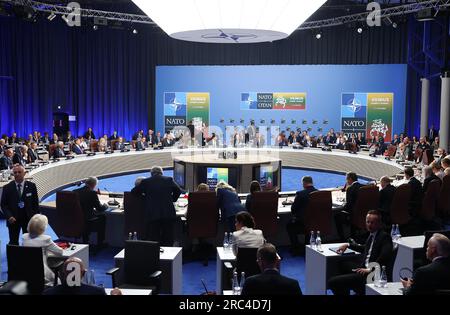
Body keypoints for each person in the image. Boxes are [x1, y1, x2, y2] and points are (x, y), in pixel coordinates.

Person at [328, 210, 393, 295]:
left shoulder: (384, 237)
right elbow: (365, 248)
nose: (369, 225)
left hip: (371, 275)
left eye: (372, 223)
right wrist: (348, 245)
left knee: (332, 282)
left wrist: (370, 269)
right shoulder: (372, 235)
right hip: (364, 267)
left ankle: (357, 286)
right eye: (368, 222)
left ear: (379, 224)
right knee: (343, 264)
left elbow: (385, 256)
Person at [131, 166, 181, 246]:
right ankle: (168, 256)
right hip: (167, 213)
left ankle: (154, 256)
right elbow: (178, 190)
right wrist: (172, 199)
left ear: (151, 174)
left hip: (152, 214)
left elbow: (134, 192)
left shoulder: (146, 181)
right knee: (168, 238)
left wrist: (145, 198)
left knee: (153, 238)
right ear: (162, 172)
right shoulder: (169, 179)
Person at [1, 165, 40, 245]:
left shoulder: (31, 186)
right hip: (13, 219)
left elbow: (35, 203)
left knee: (29, 241)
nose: (17, 174)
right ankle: (14, 257)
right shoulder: (7, 188)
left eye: (19, 172)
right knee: (13, 242)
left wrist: (36, 218)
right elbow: (3, 205)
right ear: (13, 174)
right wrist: (9, 216)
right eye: (15, 172)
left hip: (28, 219)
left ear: (24, 173)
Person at [22, 214, 63, 286]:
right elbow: (60, 252)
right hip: (41, 274)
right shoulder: (46, 239)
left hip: (25, 272)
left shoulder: (24, 237)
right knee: (59, 282)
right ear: (43, 227)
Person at [286, 176, 317, 255]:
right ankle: (306, 245)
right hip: (316, 224)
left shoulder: (300, 194)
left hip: (303, 224)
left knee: (289, 225)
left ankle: (296, 247)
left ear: (304, 183)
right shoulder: (319, 193)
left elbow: (293, 210)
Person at [73, 177, 108, 246]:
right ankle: (100, 242)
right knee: (103, 217)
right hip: (88, 219)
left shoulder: (75, 191)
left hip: (77, 218)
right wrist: (106, 205)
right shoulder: (92, 193)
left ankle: (86, 240)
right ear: (94, 185)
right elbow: (99, 208)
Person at [333, 172, 363, 241]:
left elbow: (348, 206)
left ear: (349, 179)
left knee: (337, 216)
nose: (346, 181)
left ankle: (342, 239)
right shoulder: (364, 187)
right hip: (363, 214)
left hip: (352, 215)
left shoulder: (350, 189)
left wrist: (342, 205)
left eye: (346, 179)